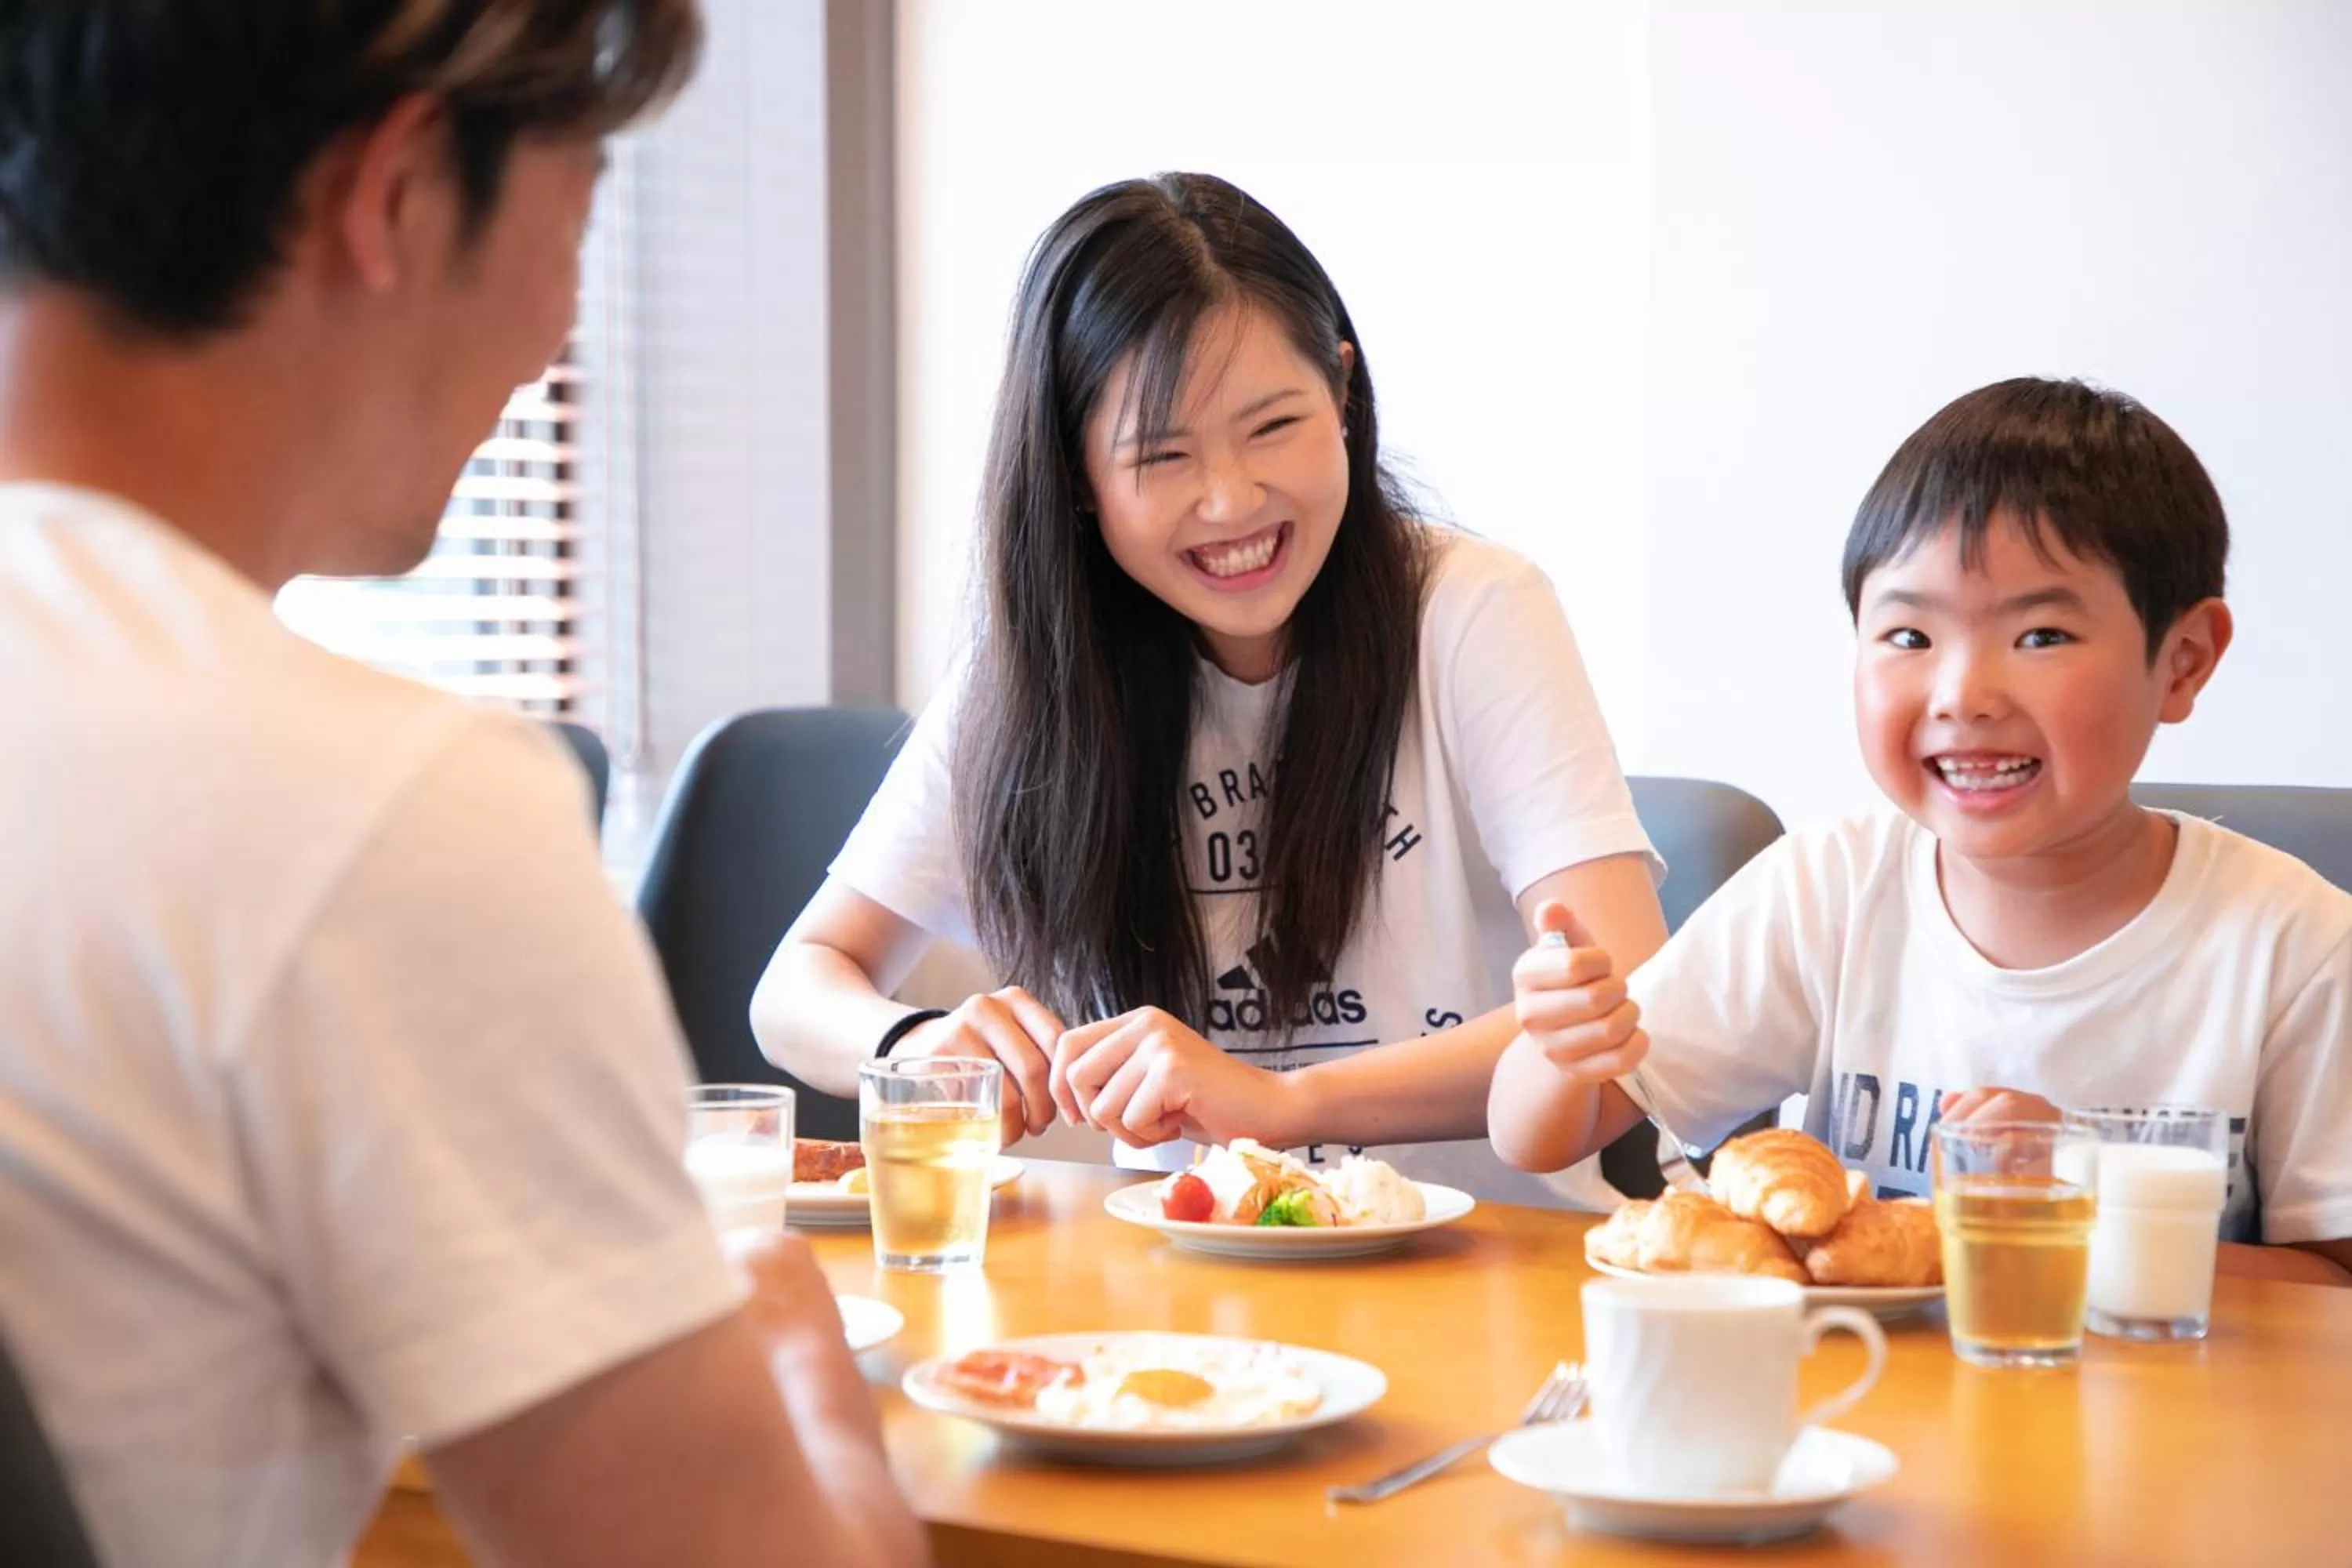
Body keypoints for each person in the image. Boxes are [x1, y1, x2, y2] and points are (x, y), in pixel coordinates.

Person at [0, 5, 927, 1566]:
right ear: (404, 194)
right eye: (577, 224)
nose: (559, 332)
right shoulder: (372, 813)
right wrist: (789, 1346)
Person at [754, 172, 1668, 1206]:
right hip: (1186, 1290)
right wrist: (913, 1040)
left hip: (1485, 1268)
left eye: (1274, 426)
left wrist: (1287, 1104)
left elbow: (1626, 996)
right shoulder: (1037, 673)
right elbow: (796, 986)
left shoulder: (1470, 611)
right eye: (1163, 455)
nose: (1232, 500)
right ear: (1076, 481)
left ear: (1344, 392)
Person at [1491, 377, 2352, 1285]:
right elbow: (1536, 1136)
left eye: (2043, 634)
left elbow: (2336, 1282)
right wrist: (1559, 1045)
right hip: (1859, 1408)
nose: (1963, 696)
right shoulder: (1831, 886)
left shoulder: (2294, 943)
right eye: (1908, 636)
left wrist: (2073, 1216)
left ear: (2182, 662)